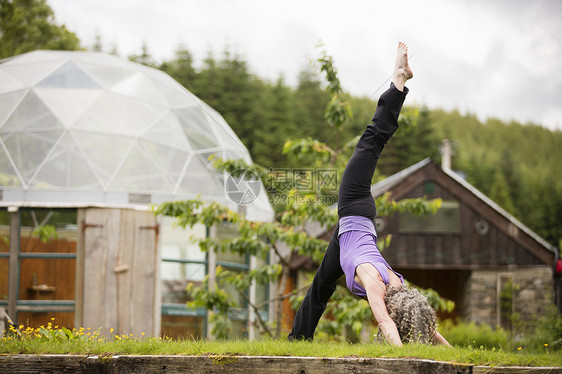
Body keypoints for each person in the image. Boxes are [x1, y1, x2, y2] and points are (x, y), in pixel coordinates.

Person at [288, 42, 451, 347]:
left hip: (351, 228)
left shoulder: (392, 284)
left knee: (322, 284)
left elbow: (419, 324)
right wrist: (403, 351)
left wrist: (452, 353)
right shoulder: (386, 286)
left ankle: (297, 339)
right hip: (355, 210)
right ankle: (398, 83)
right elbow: (388, 321)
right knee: (370, 143)